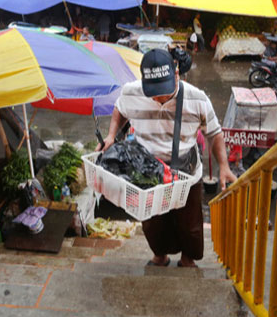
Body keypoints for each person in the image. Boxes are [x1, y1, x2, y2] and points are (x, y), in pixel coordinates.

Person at [97, 49, 236, 268]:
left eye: (163, 90)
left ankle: (188, 259)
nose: (159, 97)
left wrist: (224, 167)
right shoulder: (132, 92)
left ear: (177, 74)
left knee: (189, 223)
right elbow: (119, 110)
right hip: (148, 170)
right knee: (152, 222)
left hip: (186, 171)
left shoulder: (197, 98)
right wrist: (111, 135)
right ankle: (159, 256)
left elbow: (214, 133)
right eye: (153, 92)